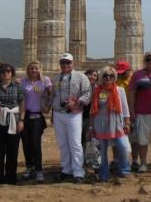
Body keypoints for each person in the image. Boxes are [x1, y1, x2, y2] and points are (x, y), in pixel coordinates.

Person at [51, 52, 91, 183]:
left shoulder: (81, 77)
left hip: (74, 113)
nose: (65, 65)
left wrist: (76, 102)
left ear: (73, 63)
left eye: (68, 62)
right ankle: (66, 169)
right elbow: (52, 96)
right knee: (63, 144)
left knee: (75, 143)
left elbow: (88, 93)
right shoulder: (55, 78)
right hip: (58, 113)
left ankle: (78, 171)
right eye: (62, 62)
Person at [89, 66, 131, 181]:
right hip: (100, 124)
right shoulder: (97, 91)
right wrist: (91, 127)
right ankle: (104, 173)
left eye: (111, 76)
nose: (108, 78)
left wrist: (127, 123)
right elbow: (92, 110)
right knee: (102, 151)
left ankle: (124, 169)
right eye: (105, 75)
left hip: (116, 124)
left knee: (123, 147)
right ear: (101, 77)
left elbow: (125, 108)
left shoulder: (119, 90)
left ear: (115, 77)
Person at [0, 63, 25, 185]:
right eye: (3, 71)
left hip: (13, 120)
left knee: (12, 151)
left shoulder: (18, 86)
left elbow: (22, 105)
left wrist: (21, 121)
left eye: (8, 71)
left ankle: (11, 178)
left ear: (12, 73)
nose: (6, 73)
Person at [20, 61, 52, 183]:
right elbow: (20, 98)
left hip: (38, 116)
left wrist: (45, 95)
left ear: (40, 69)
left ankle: (39, 170)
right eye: (31, 68)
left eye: (36, 68)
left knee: (36, 144)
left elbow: (51, 94)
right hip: (25, 115)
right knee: (26, 143)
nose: (34, 70)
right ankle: (29, 167)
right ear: (28, 70)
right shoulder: (24, 81)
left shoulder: (45, 80)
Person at [115, 60, 140, 170]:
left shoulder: (134, 81)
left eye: (123, 72)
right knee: (117, 138)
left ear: (129, 70)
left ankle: (135, 160)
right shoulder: (115, 81)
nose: (120, 74)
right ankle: (117, 160)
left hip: (132, 112)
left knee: (134, 139)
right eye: (119, 72)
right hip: (117, 114)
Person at [82, 69, 98, 153]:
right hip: (79, 115)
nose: (92, 77)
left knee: (90, 138)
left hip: (91, 116)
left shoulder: (97, 89)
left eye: (95, 75)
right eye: (90, 74)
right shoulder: (79, 86)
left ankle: (89, 157)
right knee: (80, 138)